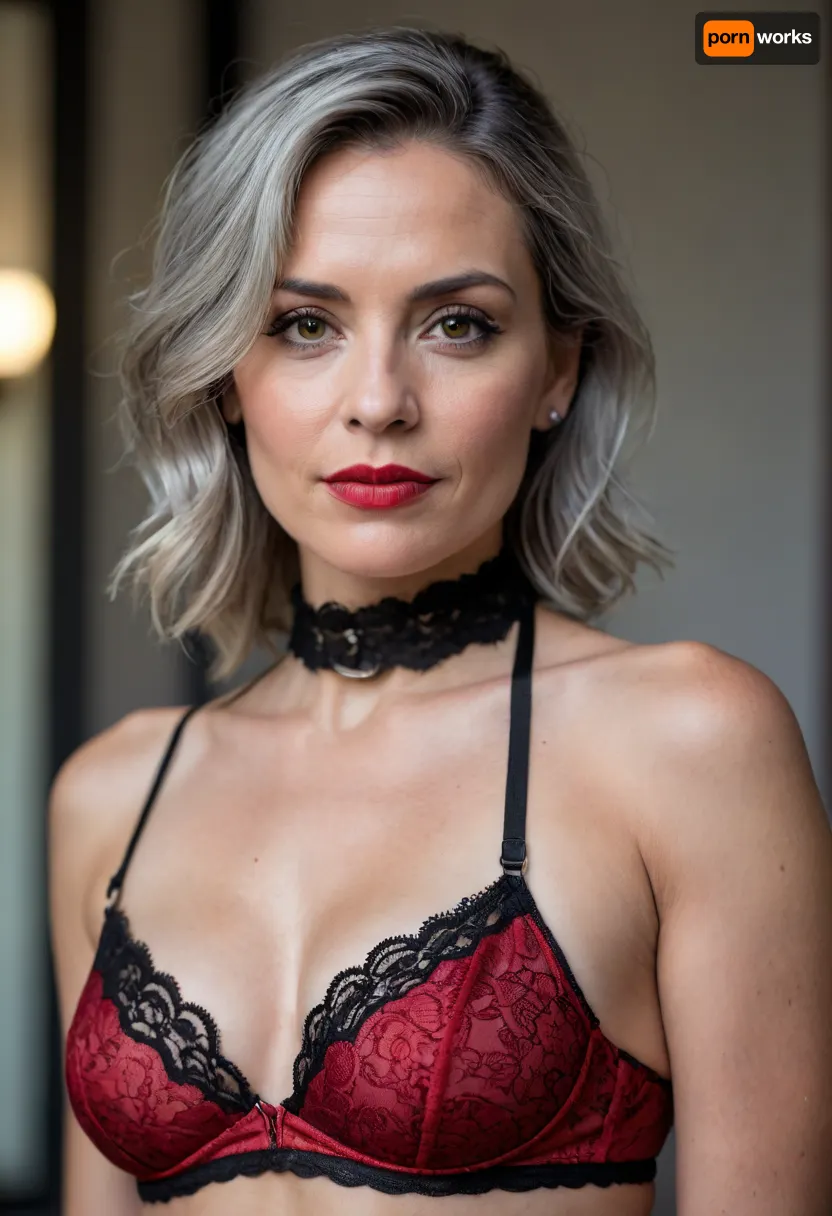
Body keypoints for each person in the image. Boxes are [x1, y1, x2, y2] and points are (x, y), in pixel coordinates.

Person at [49, 25, 832, 1216]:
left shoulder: (687, 740)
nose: (378, 402)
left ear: (557, 369)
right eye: (303, 324)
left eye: (455, 323)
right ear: (223, 374)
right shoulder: (110, 795)